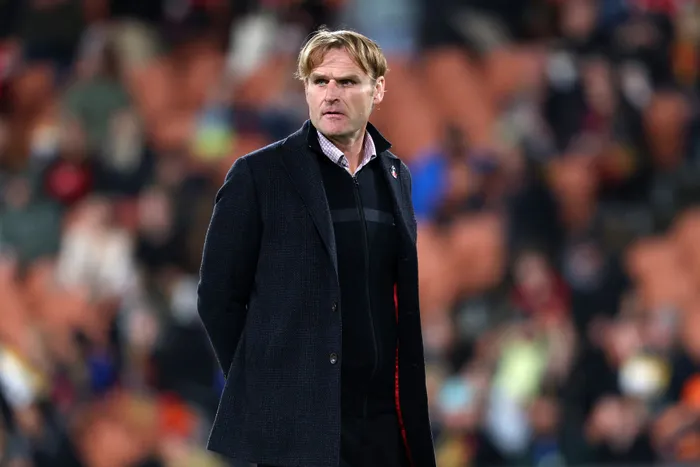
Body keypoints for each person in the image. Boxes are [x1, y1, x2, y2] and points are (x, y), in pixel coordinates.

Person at [197, 27, 436, 467]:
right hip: (302, 429)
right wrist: (270, 389)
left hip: (384, 424)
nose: (331, 94)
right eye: (319, 81)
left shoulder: (396, 176)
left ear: (378, 90)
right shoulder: (258, 175)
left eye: (347, 82)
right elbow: (217, 298)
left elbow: (397, 301)